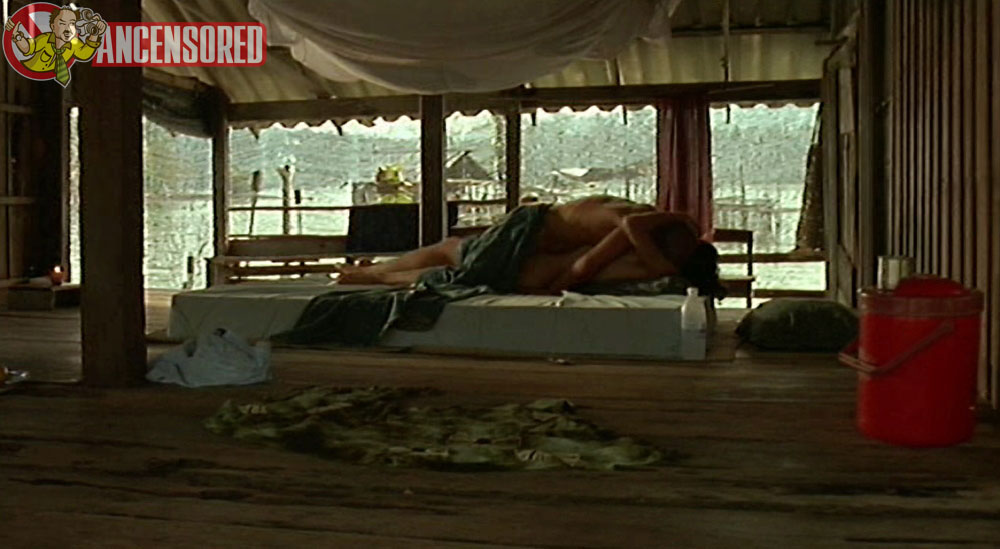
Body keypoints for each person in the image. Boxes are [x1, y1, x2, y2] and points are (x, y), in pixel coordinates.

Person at [336, 195, 722, 296]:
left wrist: (677, 220)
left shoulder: (648, 227)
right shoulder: (633, 227)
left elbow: (583, 266)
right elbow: (584, 266)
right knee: (459, 259)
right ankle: (371, 274)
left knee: (456, 256)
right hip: (529, 230)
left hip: (531, 235)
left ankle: (370, 274)